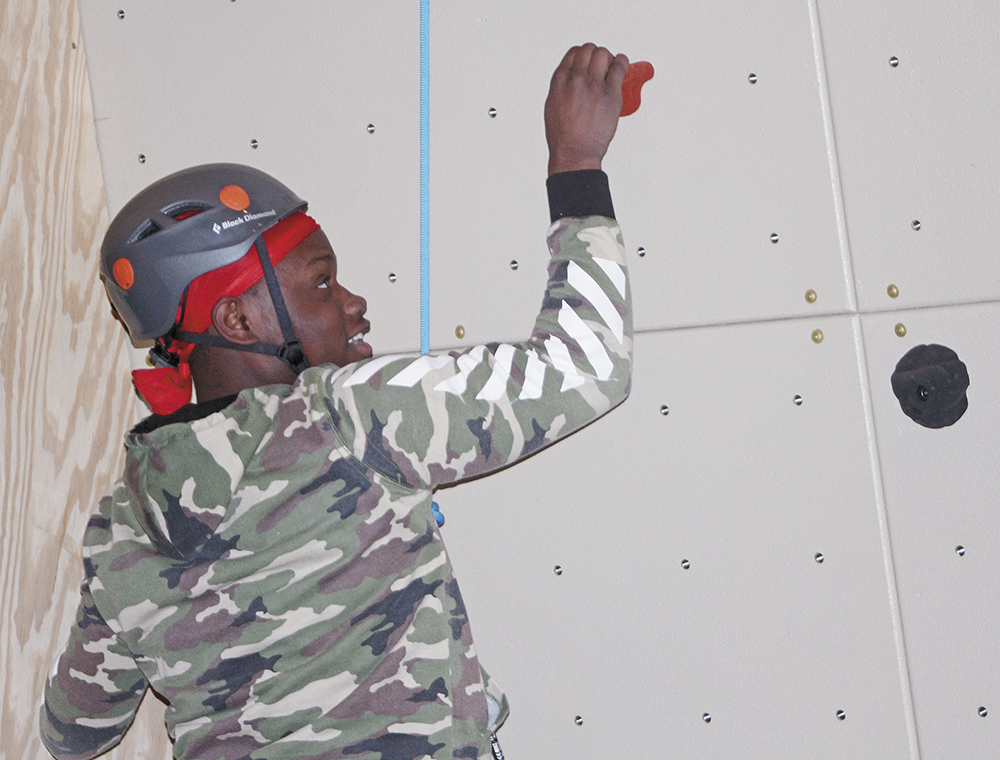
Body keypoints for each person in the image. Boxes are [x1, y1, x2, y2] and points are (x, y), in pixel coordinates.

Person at [40, 43, 633, 760]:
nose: (353, 305)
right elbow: (586, 367)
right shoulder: (345, 416)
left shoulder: (121, 526)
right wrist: (576, 164)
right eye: (321, 284)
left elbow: (74, 732)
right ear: (237, 321)